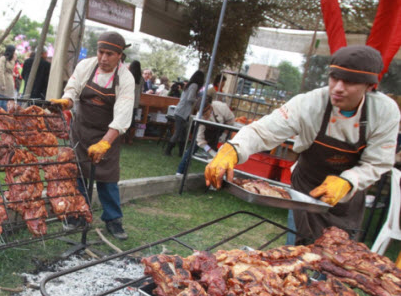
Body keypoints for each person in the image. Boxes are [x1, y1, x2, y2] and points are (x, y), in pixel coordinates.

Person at [205, 45, 400, 245]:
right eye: (334, 78)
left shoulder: (384, 112)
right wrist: (232, 149)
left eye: (350, 82)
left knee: (338, 258)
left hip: (347, 199)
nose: (338, 88)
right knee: (297, 252)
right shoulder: (310, 103)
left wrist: (348, 180)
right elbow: (263, 131)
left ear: (369, 86)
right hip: (305, 190)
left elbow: (378, 162)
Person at [50, 31, 135, 240]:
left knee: (107, 180)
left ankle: (113, 220)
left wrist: (105, 143)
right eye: (101, 52)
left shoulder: (125, 78)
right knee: (78, 175)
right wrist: (66, 101)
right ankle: (78, 213)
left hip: (108, 134)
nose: (104, 58)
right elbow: (73, 89)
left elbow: (123, 113)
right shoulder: (86, 66)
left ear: (120, 56)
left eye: (110, 54)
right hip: (82, 130)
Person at [165, 71, 205, 157]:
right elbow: (190, 98)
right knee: (178, 132)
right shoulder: (194, 86)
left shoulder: (189, 85)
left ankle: (181, 152)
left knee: (183, 133)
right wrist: (197, 100)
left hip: (181, 111)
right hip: (182, 112)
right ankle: (168, 151)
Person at [0, 45, 17, 110]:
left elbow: (11, 70)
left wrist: (14, 59)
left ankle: (3, 117)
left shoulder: (12, 60)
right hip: (2, 81)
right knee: (0, 102)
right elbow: (1, 72)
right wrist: (2, 84)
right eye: (14, 51)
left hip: (10, 82)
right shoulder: (3, 58)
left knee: (5, 103)